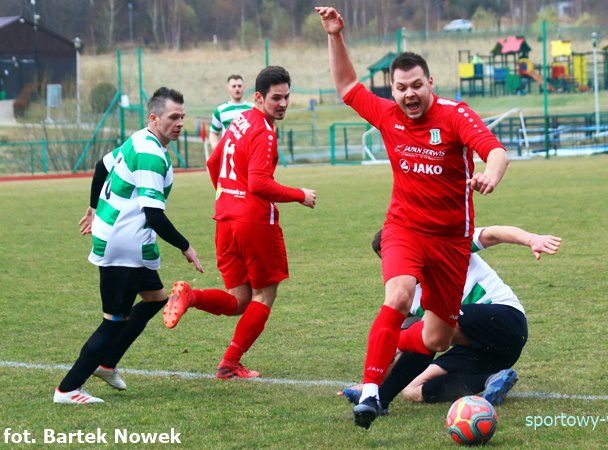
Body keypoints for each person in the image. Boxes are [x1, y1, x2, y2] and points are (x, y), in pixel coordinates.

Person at [317, 6, 510, 429]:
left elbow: (495, 150)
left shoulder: (455, 115)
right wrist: (335, 35)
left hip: (451, 243)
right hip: (404, 230)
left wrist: (490, 176)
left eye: (417, 85)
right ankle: (372, 391)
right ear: (392, 89)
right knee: (399, 296)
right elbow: (347, 85)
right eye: (401, 87)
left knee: (435, 337)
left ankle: (382, 349)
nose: (409, 94)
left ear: (431, 83)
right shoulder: (387, 115)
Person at [164, 66, 317, 379]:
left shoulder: (240, 121)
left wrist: (228, 197)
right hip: (254, 223)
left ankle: (191, 296)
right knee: (264, 296)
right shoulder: (264, 131)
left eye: (287, 97)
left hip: (225, 219)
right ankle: (230, 363)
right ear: (259, 97)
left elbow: (213, 162)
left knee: (239, 300)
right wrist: (299, 194)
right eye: (276, 98)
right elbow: (259, 184)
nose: (283, 103)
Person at [54, 87, 204, 404]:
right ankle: (68, 389)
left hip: (127, 238)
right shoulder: (150, 153)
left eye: (182, 117)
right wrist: (186, 246)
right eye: (173, 117)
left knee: (155, 299)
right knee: (113, 322)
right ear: (154, 118)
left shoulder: (140, 139)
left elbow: (101, 166)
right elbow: (154, 214)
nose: (180, 123)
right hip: (124, 244)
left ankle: (107, 364)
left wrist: (93, 207)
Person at [340, 226, 561, 412]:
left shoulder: (447, 245)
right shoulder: (407, 296)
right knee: (412, 389)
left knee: (433, 327)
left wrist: (532, 239)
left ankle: (378, 398)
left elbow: (493, 234)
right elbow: (396, 351)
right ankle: (491, 379)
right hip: (487, 353)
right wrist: (370, 385)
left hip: (506, 321)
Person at [208, 74, 254, 149]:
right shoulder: (220, 111)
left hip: (248, 153)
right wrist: (216, 149)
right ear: (228, 88)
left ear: (244, 87)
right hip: (229, 153)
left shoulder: (253, 109)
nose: (237, 88)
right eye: (234, 86)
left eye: (239, 86)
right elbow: (213, 133)